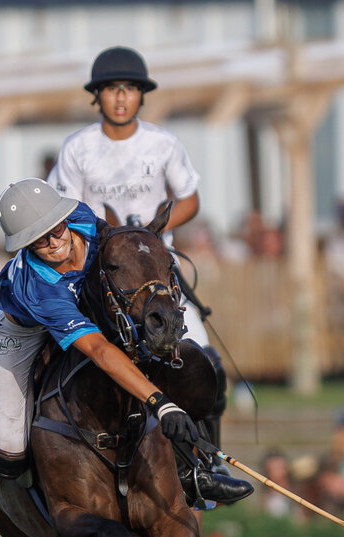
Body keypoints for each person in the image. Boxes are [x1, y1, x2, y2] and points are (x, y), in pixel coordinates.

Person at [0, 177, 252, 508]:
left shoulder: (83, 219)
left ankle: (196, 472)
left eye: (56, 229)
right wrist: (161, 403)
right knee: (10, 456)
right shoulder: (39, 286)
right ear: (26, 246)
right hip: (17, 330)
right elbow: (97, 350)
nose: (53, 242)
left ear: (65, 219)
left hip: (79, 302)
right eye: (39, 241)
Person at [46, 46, 232, 473]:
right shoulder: (78, 148)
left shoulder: (163, 143)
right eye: (112, 89)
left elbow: (190, 200)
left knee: (207, 362)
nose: (121, 97)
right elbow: (66, 211)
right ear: (98, 96)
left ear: (141, 95)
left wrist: (150, 232)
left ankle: (207, 464)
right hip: (101, 269)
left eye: (129, 89)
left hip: (152, 266)